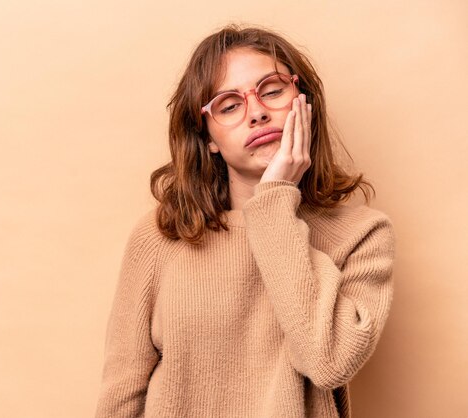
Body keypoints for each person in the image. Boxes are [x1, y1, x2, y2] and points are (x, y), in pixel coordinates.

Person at [95, 23, 396, 418]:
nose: (257, 113)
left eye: (272, 90)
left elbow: (330, 361)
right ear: (208, 139)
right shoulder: (160, 237)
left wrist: (274, 204)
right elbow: (121, 396)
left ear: (304, 102)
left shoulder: (363, 235)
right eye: (229, 105)